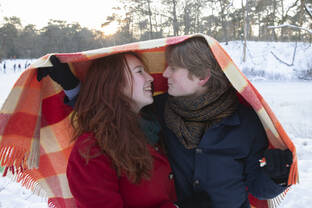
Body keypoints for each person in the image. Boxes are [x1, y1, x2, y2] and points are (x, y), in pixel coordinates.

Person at [47, 37, 293, 208]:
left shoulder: (246, 122)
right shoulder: (160, 110)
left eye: (173, 68)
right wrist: (74, 87)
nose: (162, 75)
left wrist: (276, 178)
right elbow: (111, 110)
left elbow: (257, 187)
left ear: (202, 76)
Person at [37, 53, 212, 208]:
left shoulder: (152, 126)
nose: (151, 78)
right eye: (139, 71)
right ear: (114, 84)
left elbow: (102, 111)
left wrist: (73, 88)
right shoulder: (90, 152)